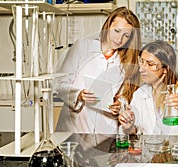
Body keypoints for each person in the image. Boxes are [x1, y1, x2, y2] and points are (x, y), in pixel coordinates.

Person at [55, 7, 141, 137]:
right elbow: (59, 84)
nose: (119, 39)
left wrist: (120, 105)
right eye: (116, 31)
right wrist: (78, 95)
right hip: (74, 126)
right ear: (108, 25)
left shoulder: (126, 61)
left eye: (126, 36)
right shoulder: (82, 47)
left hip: (105, 130)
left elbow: (125, 95)